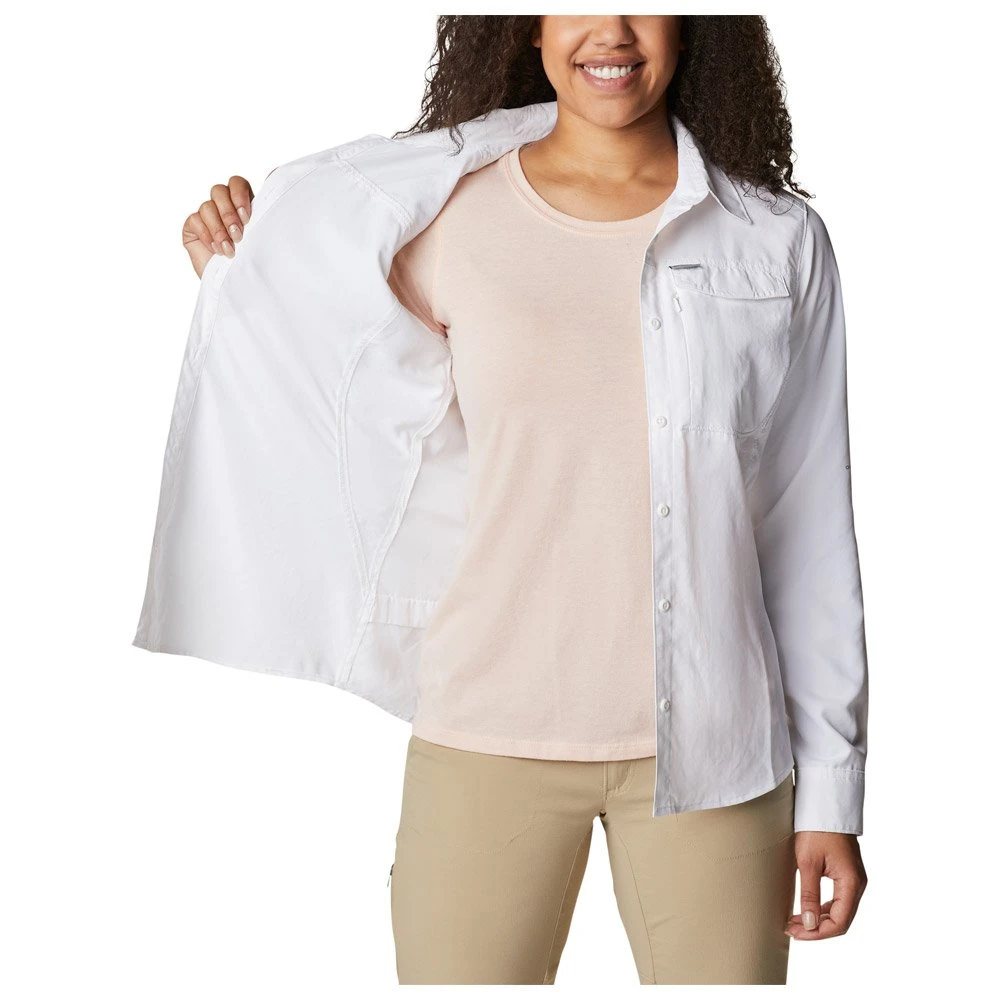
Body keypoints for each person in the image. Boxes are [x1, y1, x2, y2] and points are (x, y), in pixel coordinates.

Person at [143, 14, 869, 986]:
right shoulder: (449, 215)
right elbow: (330, 379)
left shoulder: (773, 240)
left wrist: (832, 793)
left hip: (719, 752)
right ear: (524, 27)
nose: (610, 31)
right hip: (485, 733)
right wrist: (243, 267)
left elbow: (809, 524)